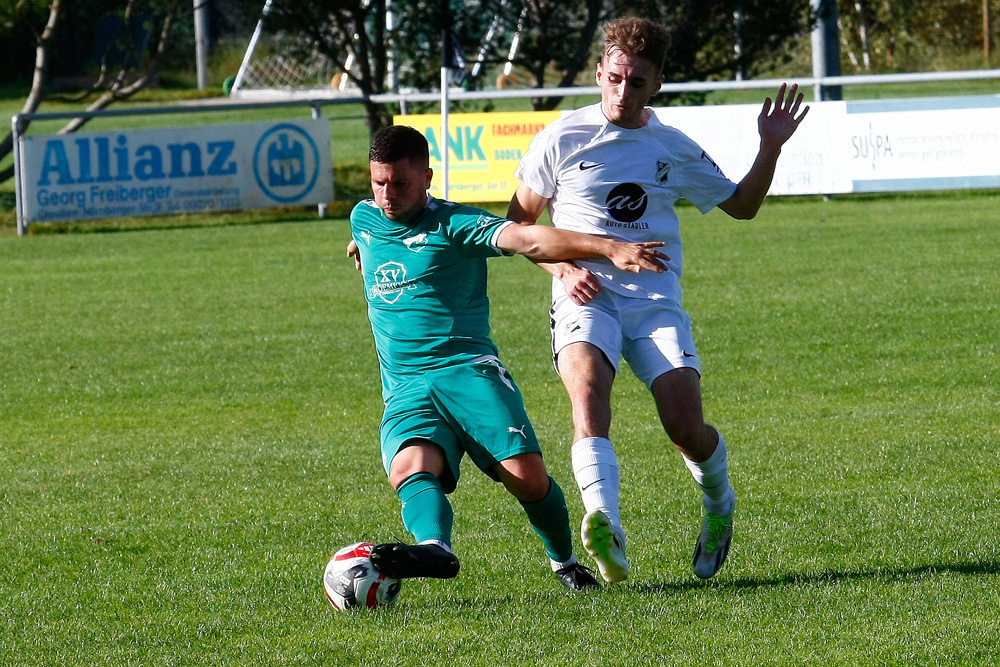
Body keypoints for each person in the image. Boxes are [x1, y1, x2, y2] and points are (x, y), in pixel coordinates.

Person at [506, 16, 809, 583]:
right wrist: (566, 268)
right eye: (615, 78)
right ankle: (606, 524)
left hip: (654, 304)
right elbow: (519, 224)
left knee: (684, 429)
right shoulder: (561, 138)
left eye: (637, 83)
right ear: (599, 73)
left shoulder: (671, 146)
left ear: (657, 84)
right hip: (585, 296)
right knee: (589, 397)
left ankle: (719, 505)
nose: (623, 93)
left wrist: (769, 148)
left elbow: (741, 206)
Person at [345, 124, 669, 592]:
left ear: (428, 177)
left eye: (400, 184)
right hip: (406, 385)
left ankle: (566, 563)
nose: (387, 195)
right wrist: (358, 246)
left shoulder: (456, 225)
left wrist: (608, 247)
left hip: (469, 371)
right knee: (409, 467)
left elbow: (529, 241)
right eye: (378, 182)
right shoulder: (364, 217)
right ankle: (435, 548)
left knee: (528, 480)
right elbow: (365, 233)